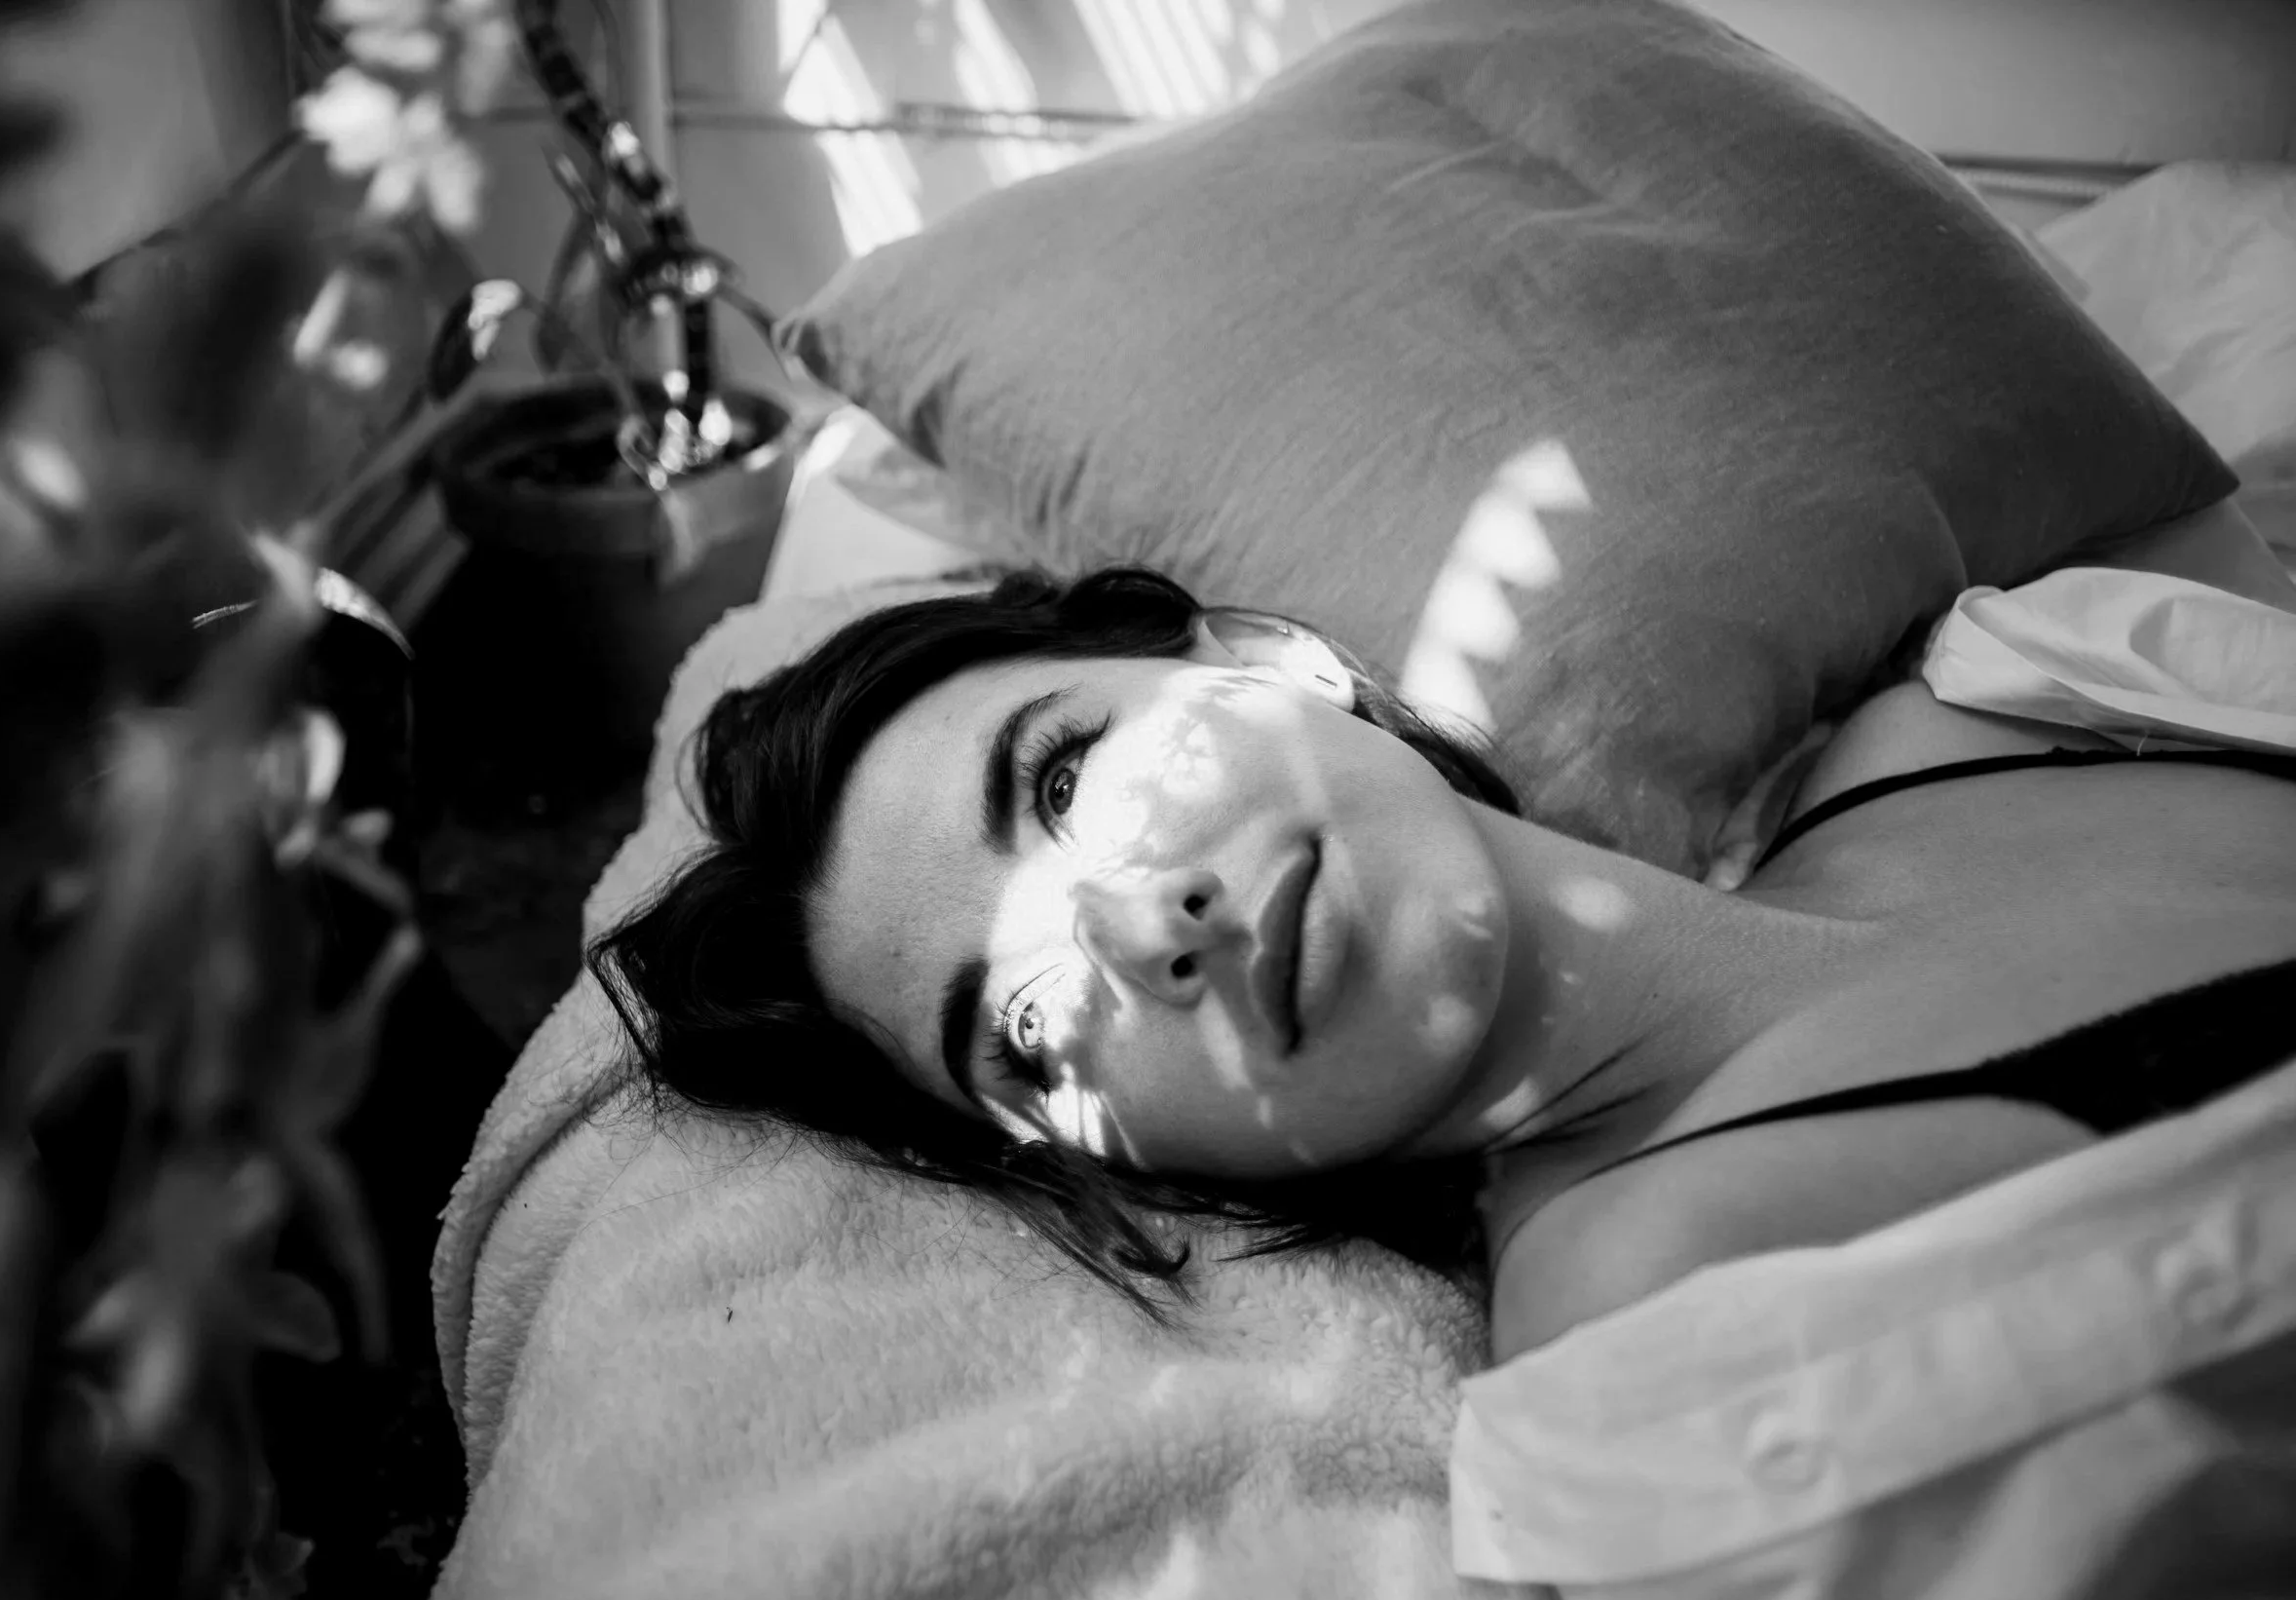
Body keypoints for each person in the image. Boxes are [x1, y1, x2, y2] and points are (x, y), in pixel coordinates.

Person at [592, 503, 2296, 1359]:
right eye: (1024, 1031)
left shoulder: (1999, 694)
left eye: (1063, 782)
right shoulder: (1659, 1310)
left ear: (1260, 661)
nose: (1143, 926)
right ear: (1108, 1174)